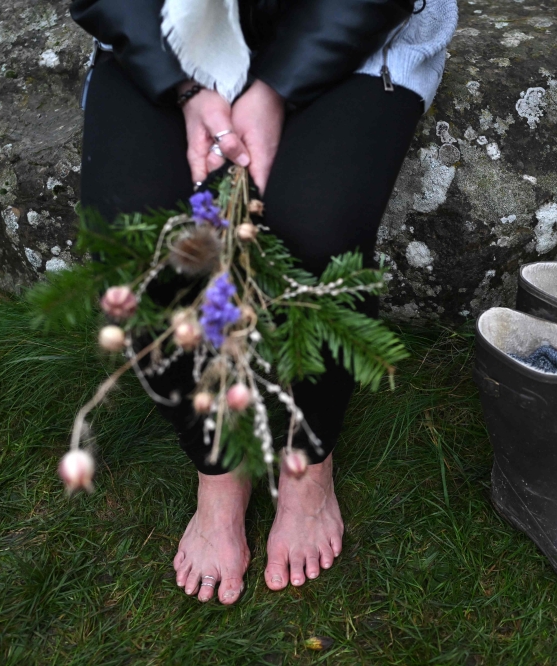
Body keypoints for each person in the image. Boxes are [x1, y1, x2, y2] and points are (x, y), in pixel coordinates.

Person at [69, 0, 458, 604]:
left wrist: (273, 91)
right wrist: (186, 86)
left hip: (351, 25)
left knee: (316, 234)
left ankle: (308, 462)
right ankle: (220, 466)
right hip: (167, 24)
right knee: (135, 244)